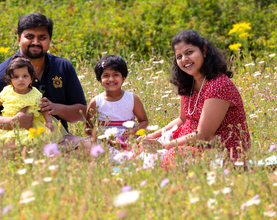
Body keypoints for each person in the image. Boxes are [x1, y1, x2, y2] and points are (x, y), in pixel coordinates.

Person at [0, 13, 87, 151]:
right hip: (16, 141)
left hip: (56, 139)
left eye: (42, 37)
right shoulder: (4, 72)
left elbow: (82, 112)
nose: (35, 42)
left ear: (50, 40)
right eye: (29, 37)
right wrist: (11, 123)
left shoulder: (63, 67)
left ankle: (50, 159)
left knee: (90, 147)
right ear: (18, 38)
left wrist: (55, 108)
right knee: (11, 152)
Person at [141, 30, 251, 168]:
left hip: (218, 149)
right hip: (187, 141)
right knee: (139, 150)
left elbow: (203, 135)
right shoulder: (188, 82)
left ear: (204, 51)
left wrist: (165, 145)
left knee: (170, 159)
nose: (184, 59)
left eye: (189, 52)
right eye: (179, 56)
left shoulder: (219, 84)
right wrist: (153, 136)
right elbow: (182, 119)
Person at [0, 56, 67, 148]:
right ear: (10, 79)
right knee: (3, 142)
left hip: (31, 125)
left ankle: (42, 157)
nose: (21, 79)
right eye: (16, 76)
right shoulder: (7, 91)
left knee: (37, 142)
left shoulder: (35, 93)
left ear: (31, 78)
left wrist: (49, 122)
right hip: (10, 124)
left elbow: (44, 109)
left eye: (25, 76)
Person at [85, 55, 148, 151]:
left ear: (123, 78)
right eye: (106, 75)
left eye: (115, 75)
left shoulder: (132, 98)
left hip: (129, 141)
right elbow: (88, 129)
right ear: (100, 81)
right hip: (105, 142)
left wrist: (133, 131)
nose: (111, 79)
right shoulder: (96, 102)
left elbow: (144, 121)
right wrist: (103, 138)